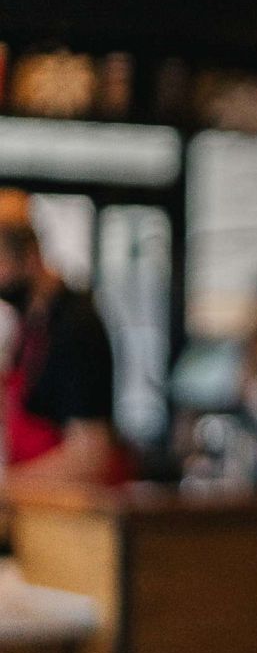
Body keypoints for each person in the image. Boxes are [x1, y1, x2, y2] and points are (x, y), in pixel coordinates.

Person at [0, 191, 126, 486]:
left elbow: (90, 455)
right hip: (37, 509)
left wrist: (8, 488)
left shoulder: (75, 326)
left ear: (31, 256)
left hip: (73, 521)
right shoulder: (29, 326)